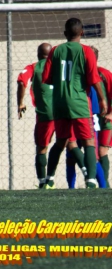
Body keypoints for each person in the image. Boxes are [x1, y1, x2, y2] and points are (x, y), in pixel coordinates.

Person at [42, 17, 107, 189]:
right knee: (89, 142)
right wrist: (102, 99)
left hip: (60, 103)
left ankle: (49, 178)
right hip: (79, 102)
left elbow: (47, 79)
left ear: (65, 34)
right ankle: (91, 180)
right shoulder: (86, 51)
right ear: (82, 33)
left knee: (60, 142)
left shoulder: (55, 51)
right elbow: (94, 79)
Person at [17, 43, 85, 189]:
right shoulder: (61, 65)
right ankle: (89, 177)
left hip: (45, 115)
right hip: (65, 111)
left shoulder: (33, 67)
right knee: (71, 144)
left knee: (42, 148)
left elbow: (22, 81)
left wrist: (20, 103)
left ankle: (43, 183)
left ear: (38, 54)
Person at [91, 46, 112, 188]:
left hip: (106, 119)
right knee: (92, 151)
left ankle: (105, 186)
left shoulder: (104, 74)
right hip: (91, 117)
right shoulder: (82, 75)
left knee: (102, 150)